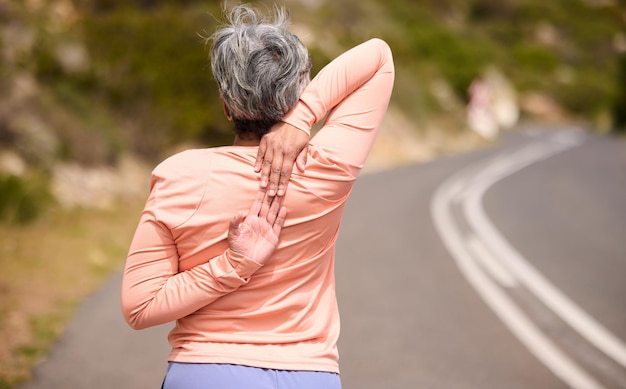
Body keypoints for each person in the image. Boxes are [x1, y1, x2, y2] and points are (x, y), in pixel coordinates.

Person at [121, 3, 394, 388]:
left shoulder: (178, 174)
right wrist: (303, 118)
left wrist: (234, 266)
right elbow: (378, 56)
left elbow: (141, 307)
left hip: (204, 371)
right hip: (310, 374)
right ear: (301, 91)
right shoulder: (325, 168)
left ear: (225, 105)